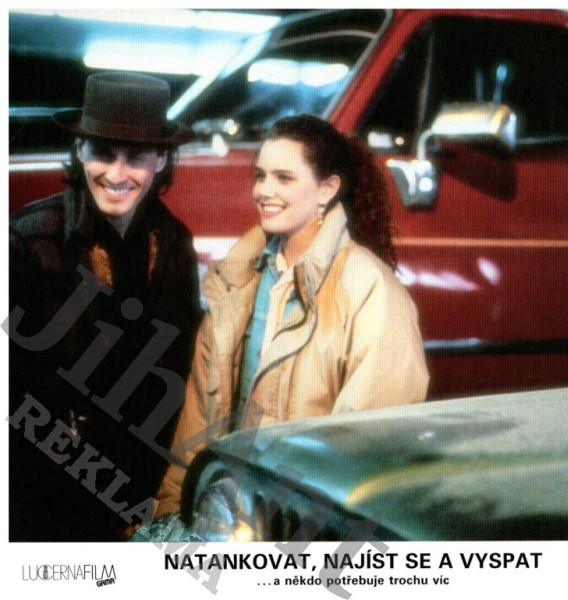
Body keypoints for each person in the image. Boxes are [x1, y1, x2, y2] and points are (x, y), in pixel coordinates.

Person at [151, 114, 429, 525]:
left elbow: (368, 447)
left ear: (327, 189)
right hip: (226, 526)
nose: (264, 191)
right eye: (260, 176)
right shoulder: (234, 284)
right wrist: (173, 518)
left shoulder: (372, 291)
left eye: (284, 178)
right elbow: (196, 433)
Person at [8, 72, 202, 541]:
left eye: (135, 157)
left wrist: (141, 497)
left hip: (134, 502)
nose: (116, 174)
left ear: (161, 160)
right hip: (37, 502)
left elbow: (174, 381)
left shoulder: (174, 246)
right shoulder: (27, 241)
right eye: (102, 152)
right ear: (79, 151)